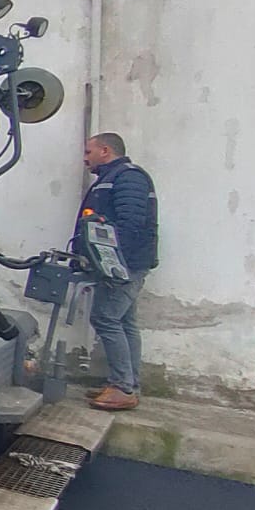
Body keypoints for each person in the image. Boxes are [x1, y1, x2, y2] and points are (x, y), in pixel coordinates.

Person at [74, 131, 159, 411]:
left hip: (125, 265)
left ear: (105, 151)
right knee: (125, 322)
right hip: (123, 264)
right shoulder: (113, 178)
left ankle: (123, 387)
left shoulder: (128, 177)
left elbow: (129, 225)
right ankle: (126, 384)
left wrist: (113, 264)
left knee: (106, 318)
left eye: (88, 152)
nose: (85, 158)